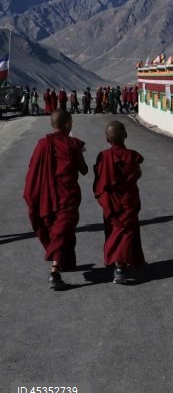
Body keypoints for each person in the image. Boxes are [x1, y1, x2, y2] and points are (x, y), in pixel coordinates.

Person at [23, 109, 88, 290]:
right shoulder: (72, 144)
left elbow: (32, 171)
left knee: (59, 230)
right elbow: (84, 170)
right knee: (62, 231)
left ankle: (66, 262)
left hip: (47, 197)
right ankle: (54, 271)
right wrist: (79, 153)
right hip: (67, 197)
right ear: (68, 124)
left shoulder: (42, 145)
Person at [93, 121, 146, 284]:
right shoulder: (132, 155)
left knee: (117, 231)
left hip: (112, 202)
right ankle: (120, 268)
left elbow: (100, 179)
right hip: (128, 200)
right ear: (125, 135)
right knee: (126, 232)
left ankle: (132, 260)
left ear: (107, 139)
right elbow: (138, 173)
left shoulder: (104, 156)